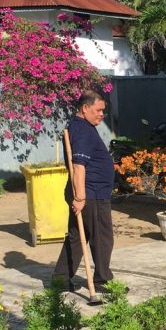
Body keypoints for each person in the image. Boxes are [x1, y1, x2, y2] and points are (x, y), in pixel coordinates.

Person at [54, 91, 115, 292]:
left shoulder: (81, 127)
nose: (101, 114)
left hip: (88, 192)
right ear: (85, 108)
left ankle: (61, 279)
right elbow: (78, 166)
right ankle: (102, 280)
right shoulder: (83, 131)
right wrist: (81, 197)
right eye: (98, 110)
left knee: (76, 237)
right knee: (102, 238)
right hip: (91, 193)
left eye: (103, 111)